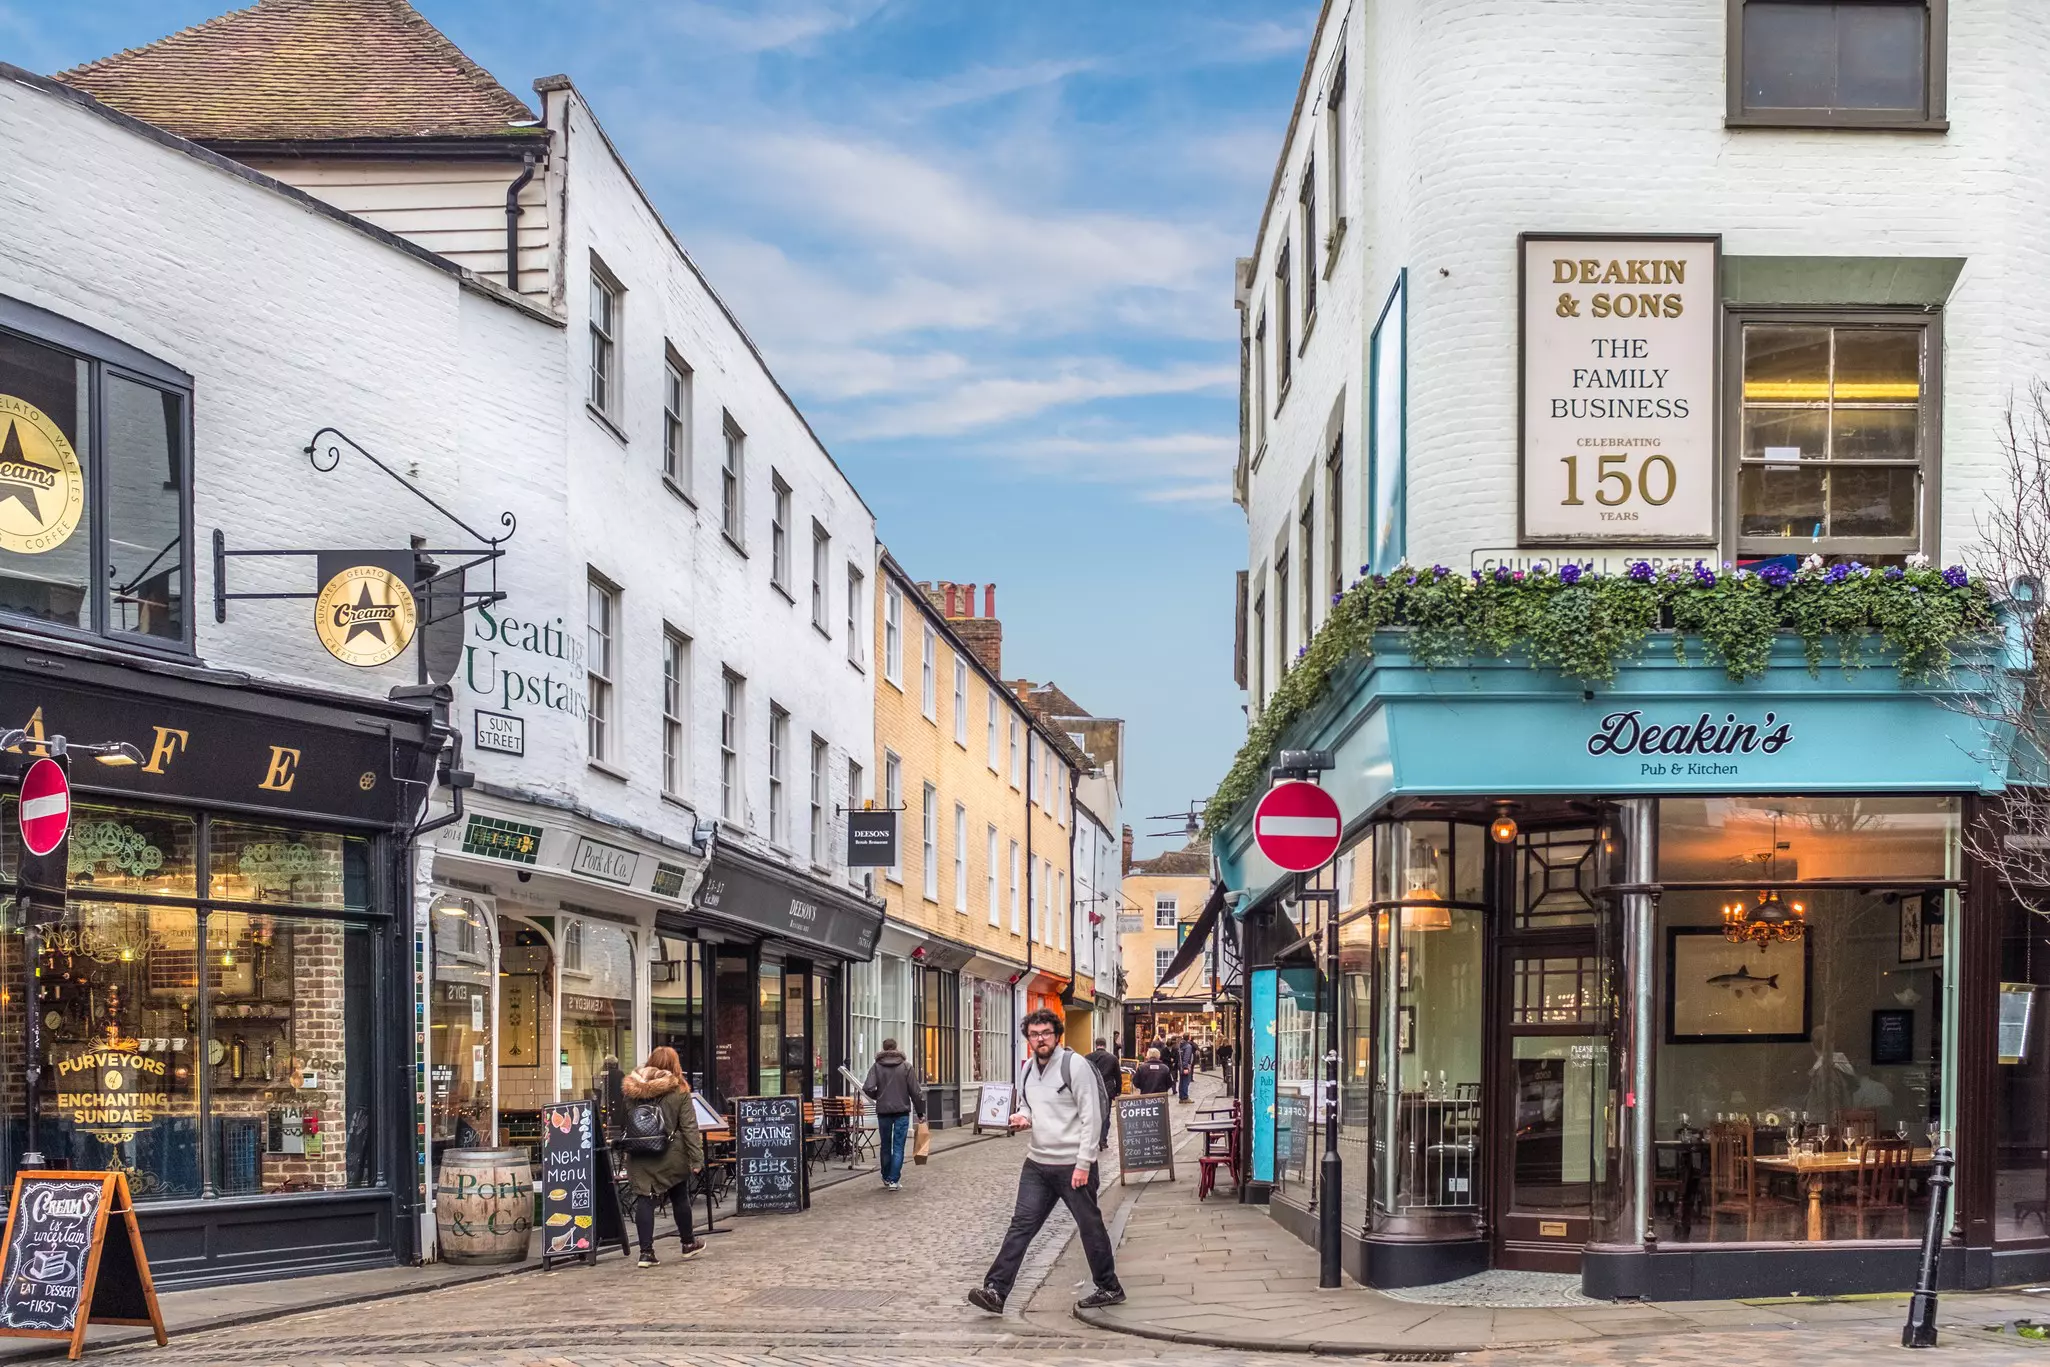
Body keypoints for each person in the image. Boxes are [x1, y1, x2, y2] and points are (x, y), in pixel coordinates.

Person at [967, 1009, 1124, 1314]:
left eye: (1046, 1033)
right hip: (1038, 1163)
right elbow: (1028, 1103)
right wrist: (1022, 1117)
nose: (1041, 1039)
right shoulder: (1027, 1069)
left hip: (1072, 1164)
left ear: (1057, 1035)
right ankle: (996, 1291)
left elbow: (1093, 1116)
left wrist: (1084, 1162)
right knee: (1021, 1226)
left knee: (1089, 1225)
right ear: (1028, 1039)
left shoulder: (1074, 1066)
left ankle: (1109, 1287)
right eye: (1035, 1034)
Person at [620, 1045, 705, 1269]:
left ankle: (646, 1253)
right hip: (670, 1153)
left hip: (639, 1153)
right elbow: (689, 1128)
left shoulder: (632, 1089)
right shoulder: (679, 1090)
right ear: (674, 1064)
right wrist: (697, 1159)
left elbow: (627, 1120)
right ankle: (688, 1243)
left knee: (644, 1199)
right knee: (679, 1195)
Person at [862, 1037, 926, 1190]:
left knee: (885, 1145)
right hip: (902, 1111)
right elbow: (915, 1092)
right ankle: (893, 1180)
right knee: (898, 1146)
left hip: (883, 1111)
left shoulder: (877, 1067)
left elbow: (867, 1087)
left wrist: (879, 1096)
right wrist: (920, 1112)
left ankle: (885, 1176)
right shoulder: (906, 1067)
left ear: (884, 1049)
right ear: (896, 1048)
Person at [1085, 1036, 1121, 1144]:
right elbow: (1117, 1076)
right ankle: (1103, 1139)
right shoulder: (1112, 1058)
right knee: (1105, 1114)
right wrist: (1118, 1091)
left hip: (1092, 1089)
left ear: (1096, 1045)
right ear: (1105, 1045)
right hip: (1107, 1089)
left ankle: (1093, 1138)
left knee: (1091, 1114)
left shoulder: (1088, 1057)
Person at [1177, 1035, 1197, 1103]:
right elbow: (1186, 1057)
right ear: (1189, 1038)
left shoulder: (1180, 1045)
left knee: (1182, 1081)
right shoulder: (1188, 1046)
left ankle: (1181, 1097)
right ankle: (1185, 1097)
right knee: (1186, 1081)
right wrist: (1186, 1067)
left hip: (1180, 1065)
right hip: (1185, 1066)